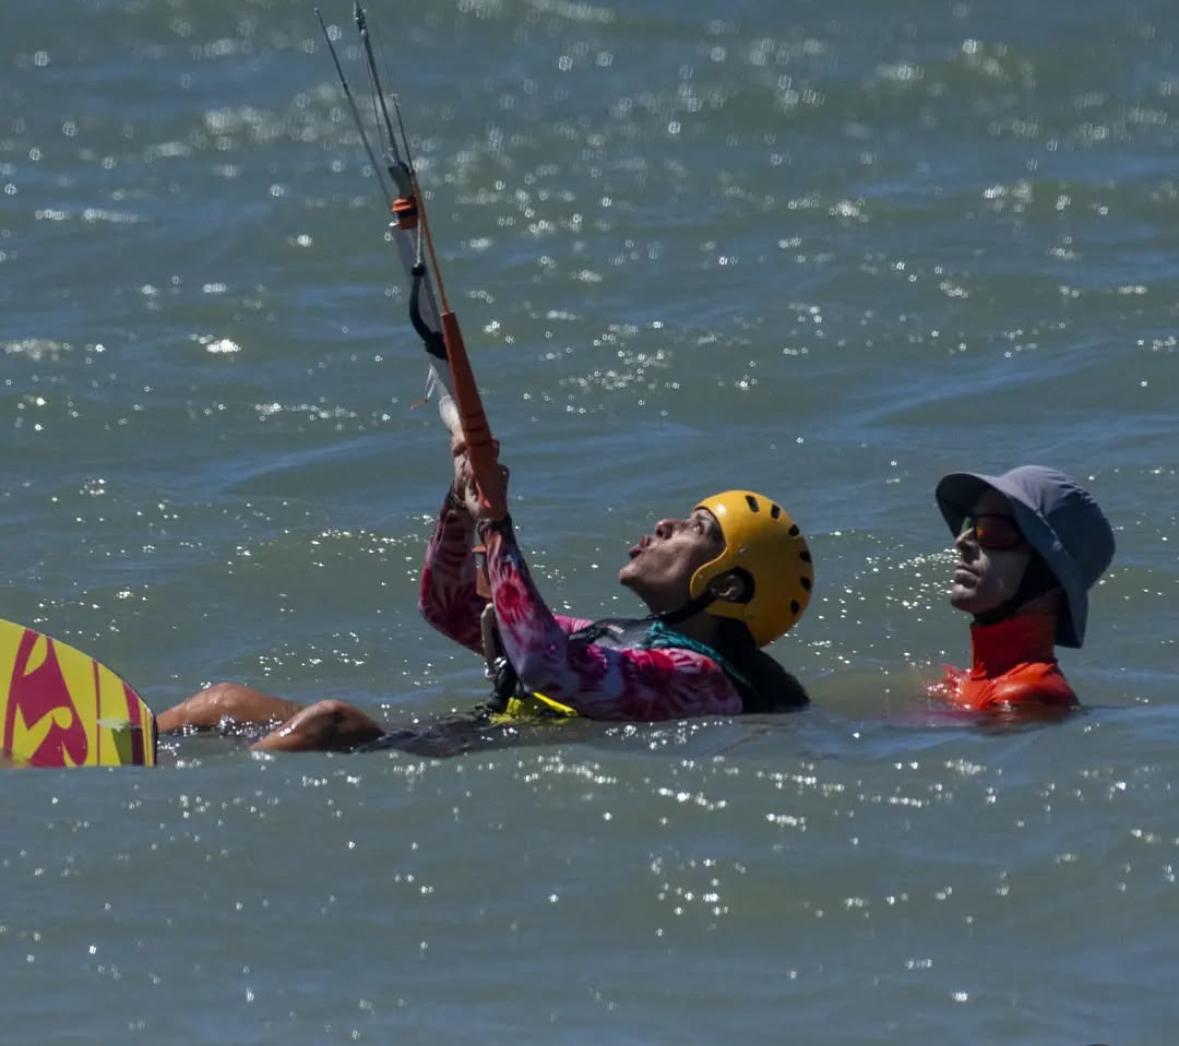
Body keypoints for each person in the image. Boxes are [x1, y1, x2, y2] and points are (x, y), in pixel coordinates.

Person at [158, 444, 814, 751]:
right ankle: (118, 752)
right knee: (224, 701)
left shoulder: (704, 681)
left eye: (698, 529)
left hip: (447, 767)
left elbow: (549, 666)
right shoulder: (615, 638)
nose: (667, 524)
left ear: (727, 586)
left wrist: (497, 526)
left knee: (328, 719)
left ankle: (188, 814)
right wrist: (461, 503)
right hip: (435, 739)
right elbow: (451, 609)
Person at [930, 465, 1114, 715]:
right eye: (968, 524)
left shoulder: (1028, 693)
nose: (962, 541)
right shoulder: (961, 683)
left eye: (992, 530)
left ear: (1047, 572)